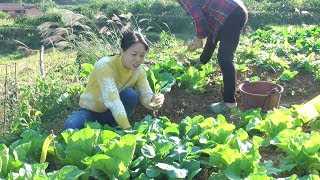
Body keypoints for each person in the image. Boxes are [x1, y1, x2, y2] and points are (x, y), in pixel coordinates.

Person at [64, 31, 165, 130]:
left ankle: (115, 127)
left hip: (112, 114)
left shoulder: (139, 71)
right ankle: (118, 127)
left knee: (130, 95)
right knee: (71, 125)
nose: (138, 59)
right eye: (134, 54)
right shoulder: (105, 65)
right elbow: (113, 100)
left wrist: (155, 101)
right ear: (122, 51)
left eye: (142, 55)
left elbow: (146, 95)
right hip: (91, 112)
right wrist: (127, 129)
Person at [174, 0, 248, 114]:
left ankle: (229, 102)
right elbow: (206, 18)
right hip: (230, 10)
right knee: (212, 38)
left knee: (225, 58)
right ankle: (201, 61)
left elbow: (200, 19)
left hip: (232, 13)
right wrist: (197, 39)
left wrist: (199, 39)